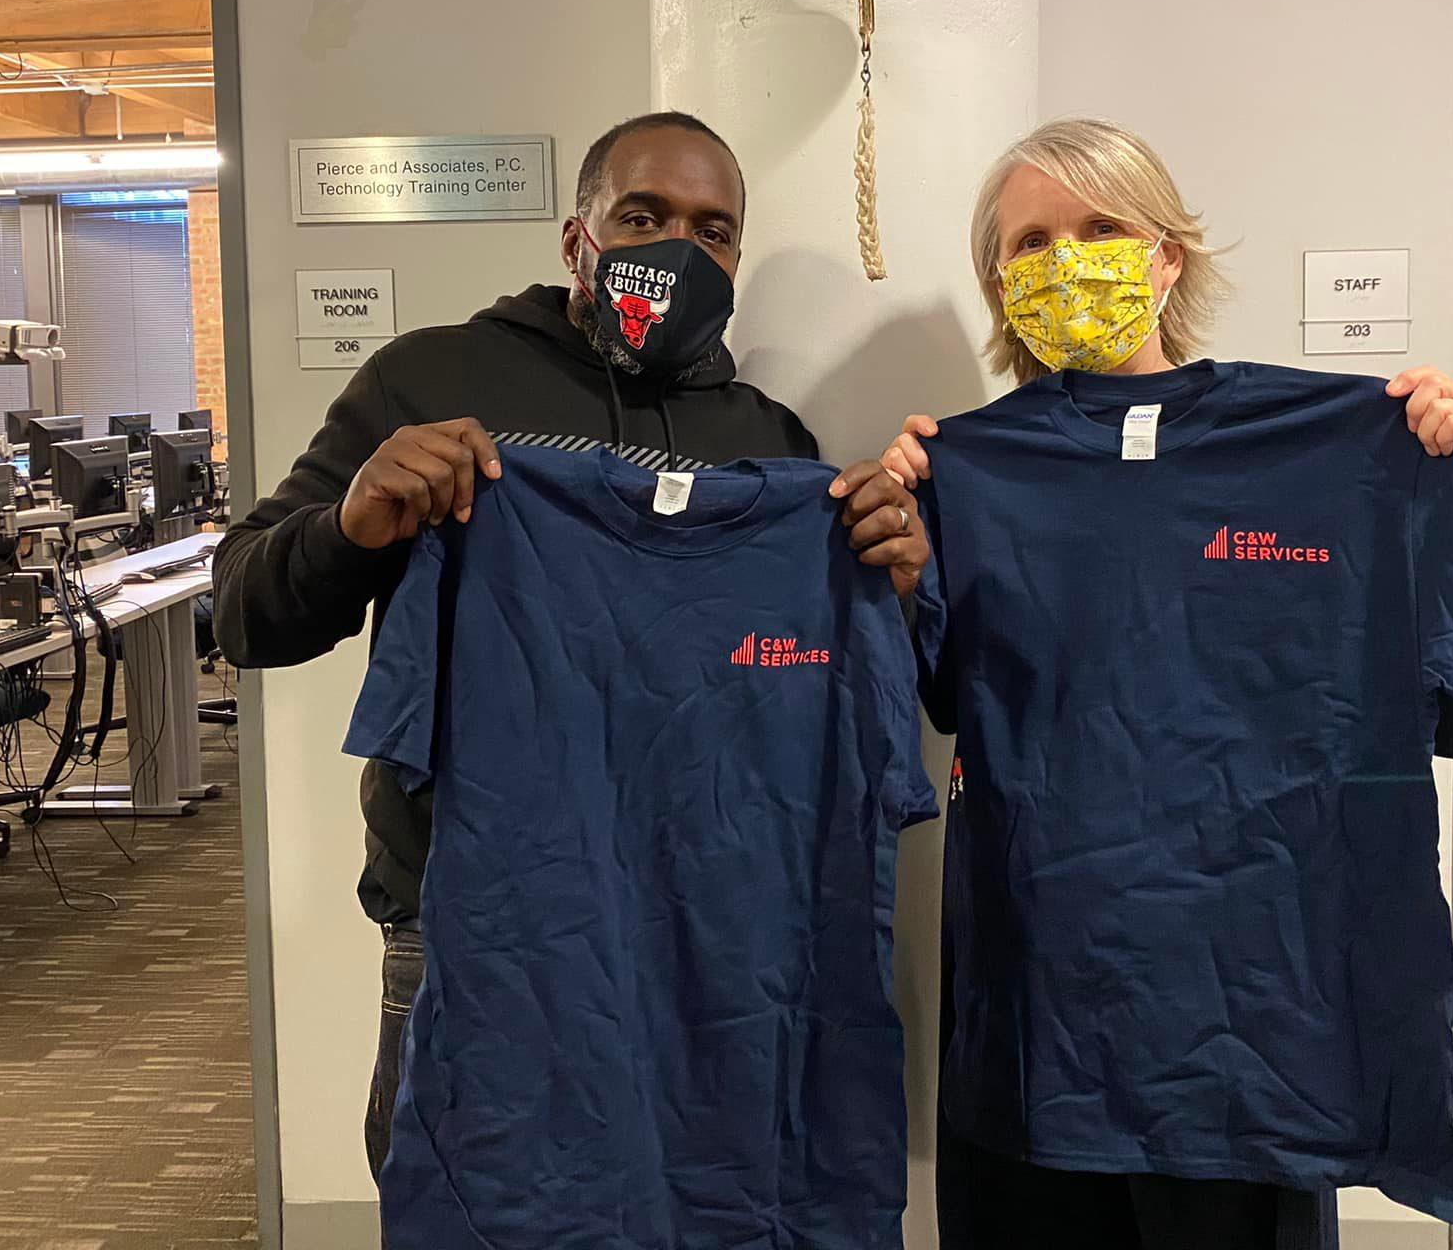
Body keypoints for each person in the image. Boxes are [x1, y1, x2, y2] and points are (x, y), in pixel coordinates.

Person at [212, 110, 930, 1184]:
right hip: (471, 914)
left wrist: (894, 581)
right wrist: (352, 520)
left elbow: (807, 685)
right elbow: (241, 615)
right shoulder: (429, 381)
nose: (676, 249)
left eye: (712, 230)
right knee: (479, 1195)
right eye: (641, 215)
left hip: (706, 918)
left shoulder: (770, 444)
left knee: (694, 1200)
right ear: (575, 236)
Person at [877, 119, 1453, 1250]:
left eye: (1100, 228)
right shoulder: (963, 470)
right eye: (1028, 243)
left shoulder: (1337, 452)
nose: (1063, 260)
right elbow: (941, 713)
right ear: (996, 282)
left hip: (1255, 1037)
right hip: (1041, 1022)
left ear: (1165, 254)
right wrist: (908, 563)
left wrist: (1449, 504)